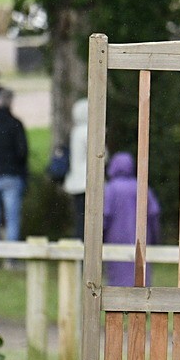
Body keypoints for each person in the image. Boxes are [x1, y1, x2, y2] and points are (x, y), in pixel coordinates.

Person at [102, 152, 161, 287]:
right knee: (141, 276)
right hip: (141, 239)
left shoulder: (110, 189)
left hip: (115, 239)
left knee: (117, 278)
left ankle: (118, 306)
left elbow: (105, 216)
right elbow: (154, 214)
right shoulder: (142, 187)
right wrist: (155, 238)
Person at [0, 89, 29, 259]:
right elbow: (22, 152)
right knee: (12, 218)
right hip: (10, 176)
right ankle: (11, 257)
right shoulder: (15, 124)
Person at [62, 98, 91, 239]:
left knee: (80, 218)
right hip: (87, 181)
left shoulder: (75, 131)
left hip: (75, 180)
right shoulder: (89, 132)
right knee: (87, 220)